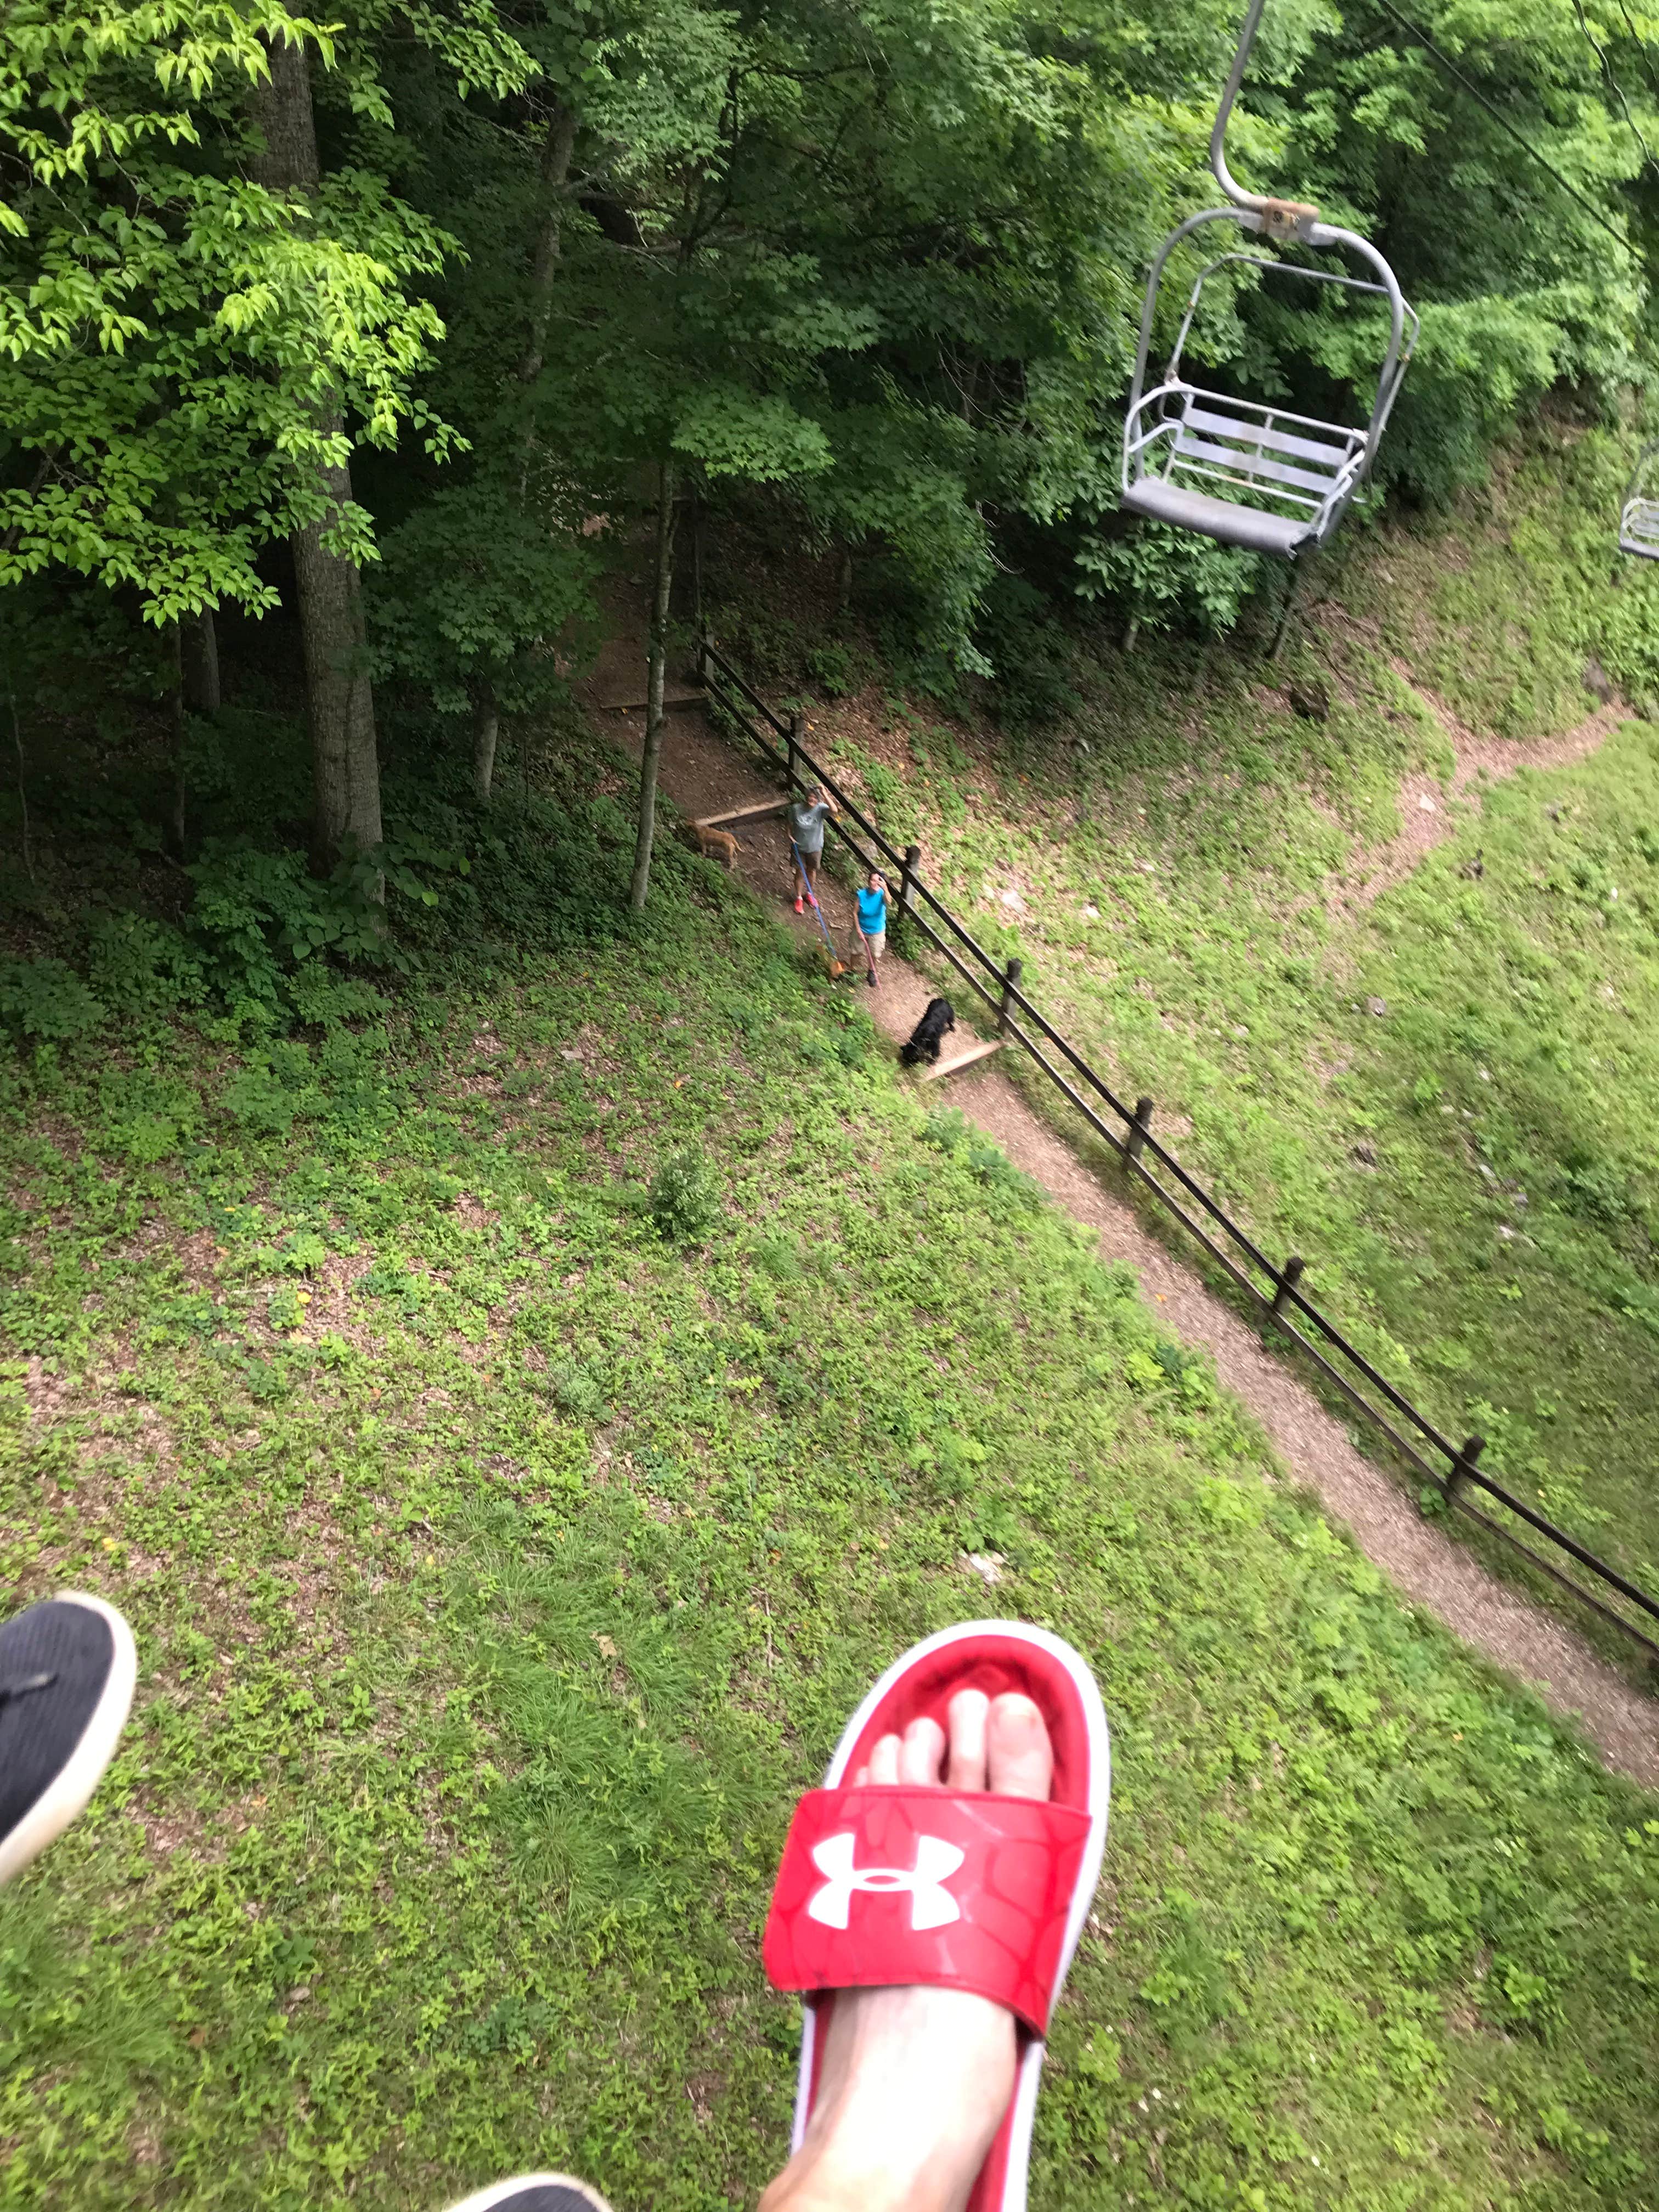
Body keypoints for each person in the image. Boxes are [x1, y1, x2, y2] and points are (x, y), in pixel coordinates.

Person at [786, 787, 838, 913]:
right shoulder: (796, 809)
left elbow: (835, 811)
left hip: (815, 847)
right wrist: (789, 835)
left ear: (818, 800)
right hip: (799, 846)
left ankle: (809, 894)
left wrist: (825, 793)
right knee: (800, 872)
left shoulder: (821, 809)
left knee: (812, 871)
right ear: (806, 797)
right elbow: (789, 823)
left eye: (815, 798)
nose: (812, 799)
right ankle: (799, 898)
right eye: (810, 796)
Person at [854, 870, 890, 990]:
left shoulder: (882, 894)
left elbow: (889, 902)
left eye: (878, 881)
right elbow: (855, 913)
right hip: (862, 927)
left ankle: (871, 972)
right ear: (869, 881)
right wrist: (858, 929)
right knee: (856, 951)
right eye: (873, 880)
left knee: (874, 954)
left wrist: (886, 889)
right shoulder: (861, 895)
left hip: (877, 930)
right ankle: (852, 972)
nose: (875, 883)